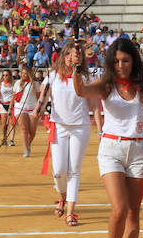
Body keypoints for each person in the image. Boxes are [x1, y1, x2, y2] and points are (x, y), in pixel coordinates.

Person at [73, 37, 143, 238]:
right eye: (117, 61)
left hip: (139, 150)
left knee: (133, 212)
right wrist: (78, 68)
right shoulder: (106, 84)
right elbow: (80, 90)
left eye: (126, 60)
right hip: (111, 149)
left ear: (134, 61)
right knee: (119, 208)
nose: (121, 65)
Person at [33, 43, 98, 226]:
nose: (70, 57)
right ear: (63, 56)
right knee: (59, 171)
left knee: (74, 170)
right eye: (68, 53)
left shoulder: (85, 76)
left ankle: (70, 212)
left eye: (74, 54)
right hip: (59, 126)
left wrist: (100, 129)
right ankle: (62, 197)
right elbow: (42, 100)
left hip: (80, 127)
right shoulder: (52, 76)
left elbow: (94, 104)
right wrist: (35, 113)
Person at [10, 65, 40, 157]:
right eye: (22, 73)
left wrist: (39, 109)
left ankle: (28, 144)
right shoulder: (17, 83)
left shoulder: (35, 83)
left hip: (32, 108)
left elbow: (39, 97)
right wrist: (10, 107)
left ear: (29, 74)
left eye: (25, 73)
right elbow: (13, 96)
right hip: (20, 108)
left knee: (33, 131)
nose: (23, 75)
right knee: (24, 128)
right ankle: (26, 149)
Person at [0, 69, 16, 144]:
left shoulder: (14, 84)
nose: (5, 76)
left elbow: (15, 95)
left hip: (12, 105)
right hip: (3, 104)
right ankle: (4, 137)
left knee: (12, 123)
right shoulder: (0, 84)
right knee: (4, 125)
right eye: (3, 75)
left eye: (6, 75)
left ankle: (11, 140)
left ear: (10, 76)